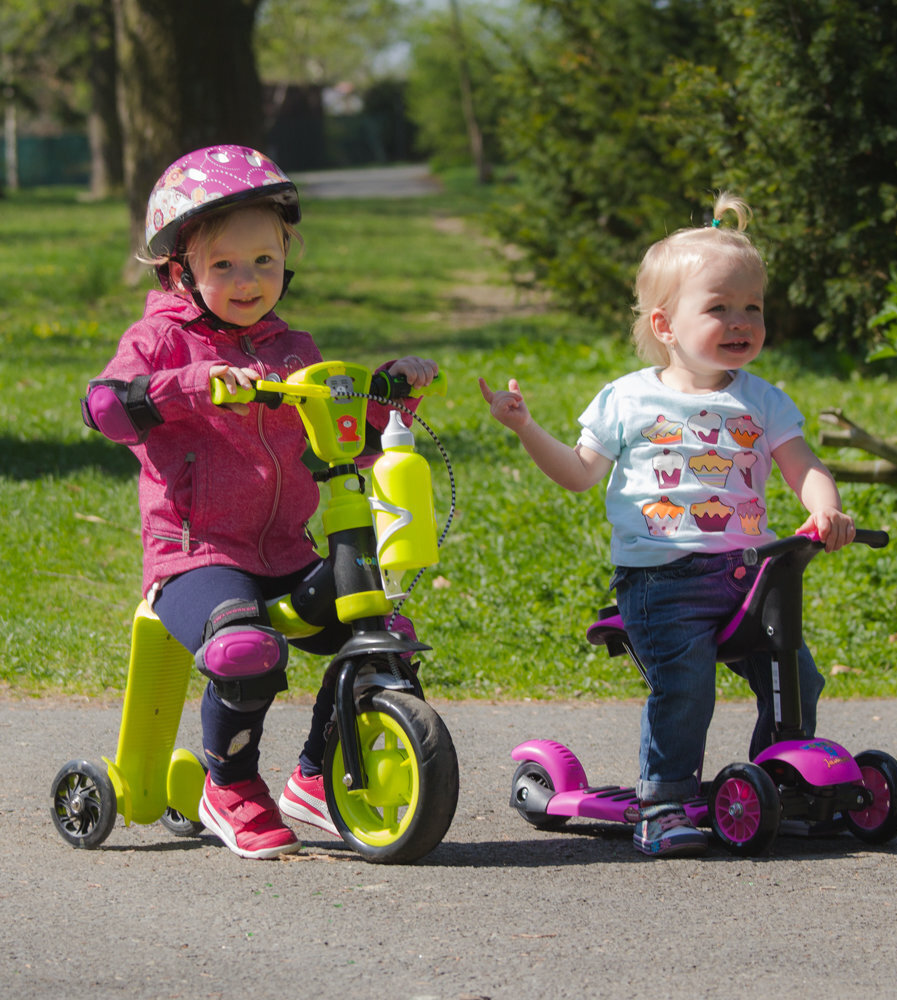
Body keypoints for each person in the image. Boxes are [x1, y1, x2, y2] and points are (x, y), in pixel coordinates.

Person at [81, 145, 438, 860]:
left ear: (286, 261)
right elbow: (103, 409)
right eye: (224, 267)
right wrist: (189, 384)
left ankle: (315, 774)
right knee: (245, 650)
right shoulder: (158, 340)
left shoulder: (291, 348)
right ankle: (231, 784)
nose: (248, 282)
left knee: (381, 638)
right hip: (196, 558)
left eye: (264, 263)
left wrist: (386, 394)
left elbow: (345, 443)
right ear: (179, 270)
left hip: (284, 552)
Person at [480, 192, 854, 858]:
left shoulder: (762, 400)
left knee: (794, 674)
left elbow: (803, 464)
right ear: (665, 323)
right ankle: (665, 801)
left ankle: (775, 781)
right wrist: (524, 427)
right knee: (687, 688)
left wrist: (823, 507)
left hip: (749, 576)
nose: (741, 322)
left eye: (753, 308)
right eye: (719, 308)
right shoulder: (629, 398)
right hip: (663, 583)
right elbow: (577, 473)